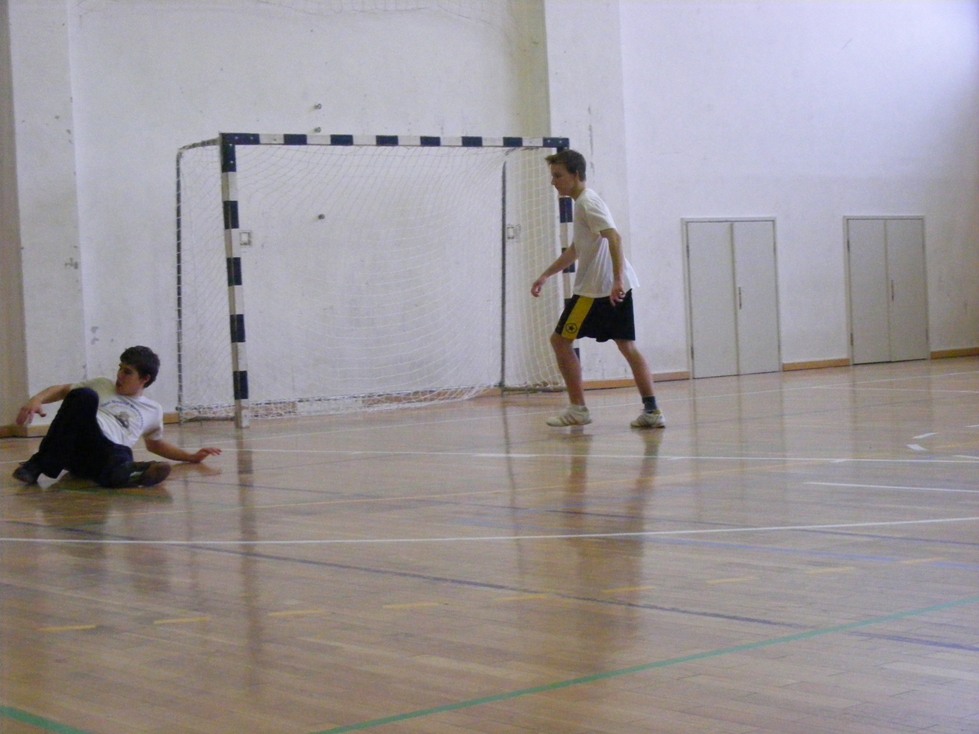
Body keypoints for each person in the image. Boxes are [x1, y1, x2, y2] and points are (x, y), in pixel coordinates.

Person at [530, 149, 665, 429]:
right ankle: (652, 411)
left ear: (576, 175)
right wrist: (546, 275)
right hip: (612, 286)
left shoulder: (587, 202)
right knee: (627, 347)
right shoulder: (583, 204)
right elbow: (577, 249)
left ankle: (578, 409)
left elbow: (614, 237)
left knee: (560, 341)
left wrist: (616, 280)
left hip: (597, 290)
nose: (553, 182)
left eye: (558, 176)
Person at [11, 345, 221, 487]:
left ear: (145, 379)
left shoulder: (153, 410)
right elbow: (63, 389)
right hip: (80, 442)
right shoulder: (102, 385)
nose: (119, 375)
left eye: (127, 372)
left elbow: (156, 445)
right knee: (83, 395)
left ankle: (132, 473)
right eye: (120, 368)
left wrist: (190, 457)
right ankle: (38, 465)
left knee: (119, 456)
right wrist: (36, 399)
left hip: (106, 456)